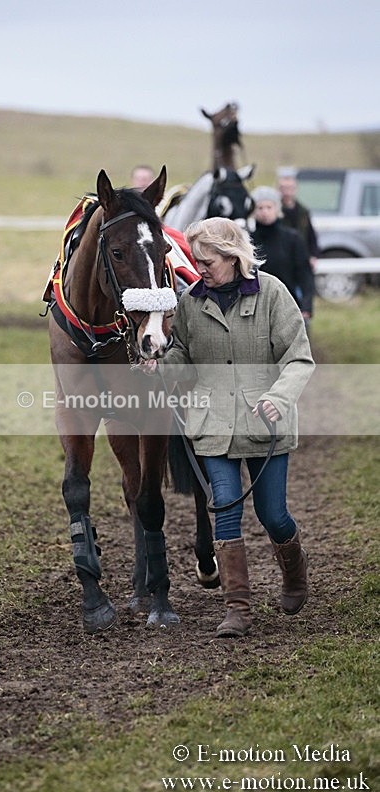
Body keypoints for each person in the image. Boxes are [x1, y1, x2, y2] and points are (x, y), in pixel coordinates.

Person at [144, 217, 315, 638]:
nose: (199, 269)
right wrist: (159, 366)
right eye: (197, 261)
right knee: (223, 507)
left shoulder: (273, 293)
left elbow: (298, 358)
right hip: (213, 424)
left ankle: (295, 573)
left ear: (232, 255)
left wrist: (277, 398)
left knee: (272, 514)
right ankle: (237, 609)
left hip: (264, 421)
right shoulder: (191, 302)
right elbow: (184, 356)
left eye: (208, 261)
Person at [250, 186, 315, 325]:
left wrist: (306, 305)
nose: (265, 212)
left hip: (289, 305)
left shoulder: (293, 239)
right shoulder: (248, 241)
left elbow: (305, 274)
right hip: (256, 308)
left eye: (269, 207)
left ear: (277, 209)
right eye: (260, 208)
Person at [277, 168, 319, 270]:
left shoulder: (303, 211)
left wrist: (314, 256)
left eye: (290, 188)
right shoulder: (275, 212)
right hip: (282, 259)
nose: (287, 192)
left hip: (301, 257)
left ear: (295, 189)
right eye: (284, 188)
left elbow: (310, 234)